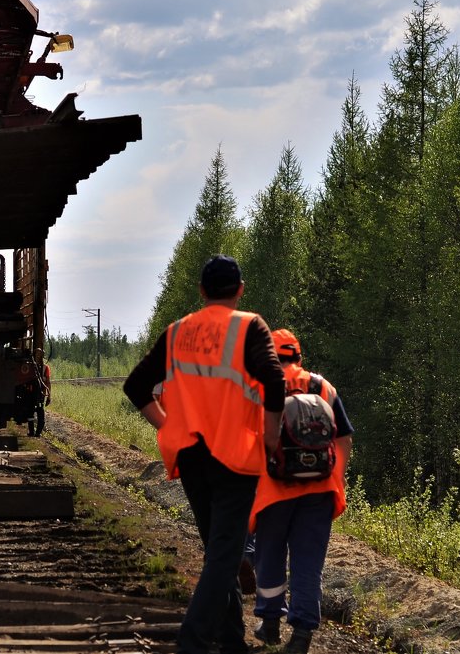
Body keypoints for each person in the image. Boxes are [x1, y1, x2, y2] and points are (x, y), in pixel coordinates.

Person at [123, 254, 285, 654]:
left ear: (201, 291)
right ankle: (191, 642)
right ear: (240, 291)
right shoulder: (249, 326)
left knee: (219, 552)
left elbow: (135, 386)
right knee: (225, 556)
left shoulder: (178, 331)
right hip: (234, 458)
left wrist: (167, 427)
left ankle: (232, 641)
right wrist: (270, 440)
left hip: (192, 457)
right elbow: (275, 380)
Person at [250, 329, 353, 654]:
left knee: (270, 557)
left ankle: (269, 625)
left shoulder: (259, 386)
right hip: (320, 490)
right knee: (308, 563)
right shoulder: (323, 387)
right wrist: (335, 479)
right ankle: (302, 636)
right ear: (298, 356)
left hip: (274, 489)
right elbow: (344, 439)